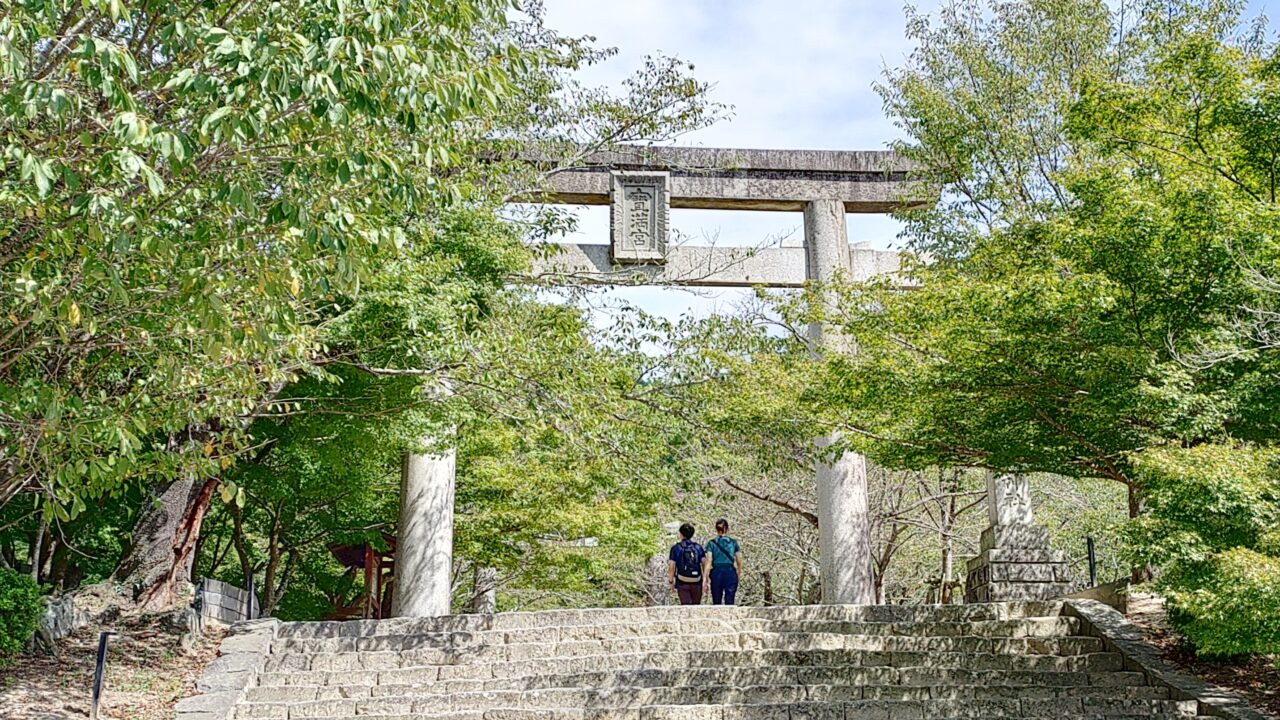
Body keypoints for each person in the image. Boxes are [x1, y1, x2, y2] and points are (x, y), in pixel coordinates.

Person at [667, 522, 709, 605]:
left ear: (680, 534)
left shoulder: (676, 548)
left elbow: (671, 566)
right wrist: (706, 580)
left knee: (685, 606)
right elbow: (705, 563)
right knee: (696, 605)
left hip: (682, 581)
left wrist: (671, 581)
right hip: (697, 581)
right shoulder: (698, 547)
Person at [706, 518, 742, 605]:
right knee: (730, 599)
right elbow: (739, 560)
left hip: (716, 572)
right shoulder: (733, 543)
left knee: (716, 599)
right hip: (730, 571)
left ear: (716, 529)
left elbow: (709, 561)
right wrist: (739, 572)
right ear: (727, 529)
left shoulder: (711, 543)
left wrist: (705, 577)